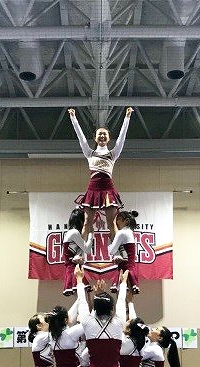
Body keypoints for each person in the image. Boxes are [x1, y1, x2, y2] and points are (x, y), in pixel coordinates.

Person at [68, 107, 133, 239]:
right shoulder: (89, 153)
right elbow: (81, 138)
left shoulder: (113, 154)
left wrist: (127, 118)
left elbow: (121, 139)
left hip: (108, 190)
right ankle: (81, 249)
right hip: (93, 189)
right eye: (99, 134)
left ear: (108, 138)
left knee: (112, 223)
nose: (102, 136)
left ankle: (116, 249)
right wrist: (73, 118)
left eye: (105, 134)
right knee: (87, 223)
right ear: (95, 138)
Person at [62, 208, 93, 296]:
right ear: (80, 221)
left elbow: (82, 251)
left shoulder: (73, 233)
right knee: (82, 298)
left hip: (76, 269)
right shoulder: (74, 232)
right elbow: (87, 250)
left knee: (84, 298)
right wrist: (91, 234)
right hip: (73, 270)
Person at [108, 210, 140, 294]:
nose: (117, 222)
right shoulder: (130, 232)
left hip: (124, 267)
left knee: (122, 294)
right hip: (130, 267)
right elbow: (117, 234)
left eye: (118, 219)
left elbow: (112, 251)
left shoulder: (122, 233)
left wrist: (109, 243)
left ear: (126, 221)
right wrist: (114, 224)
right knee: (128, 295)